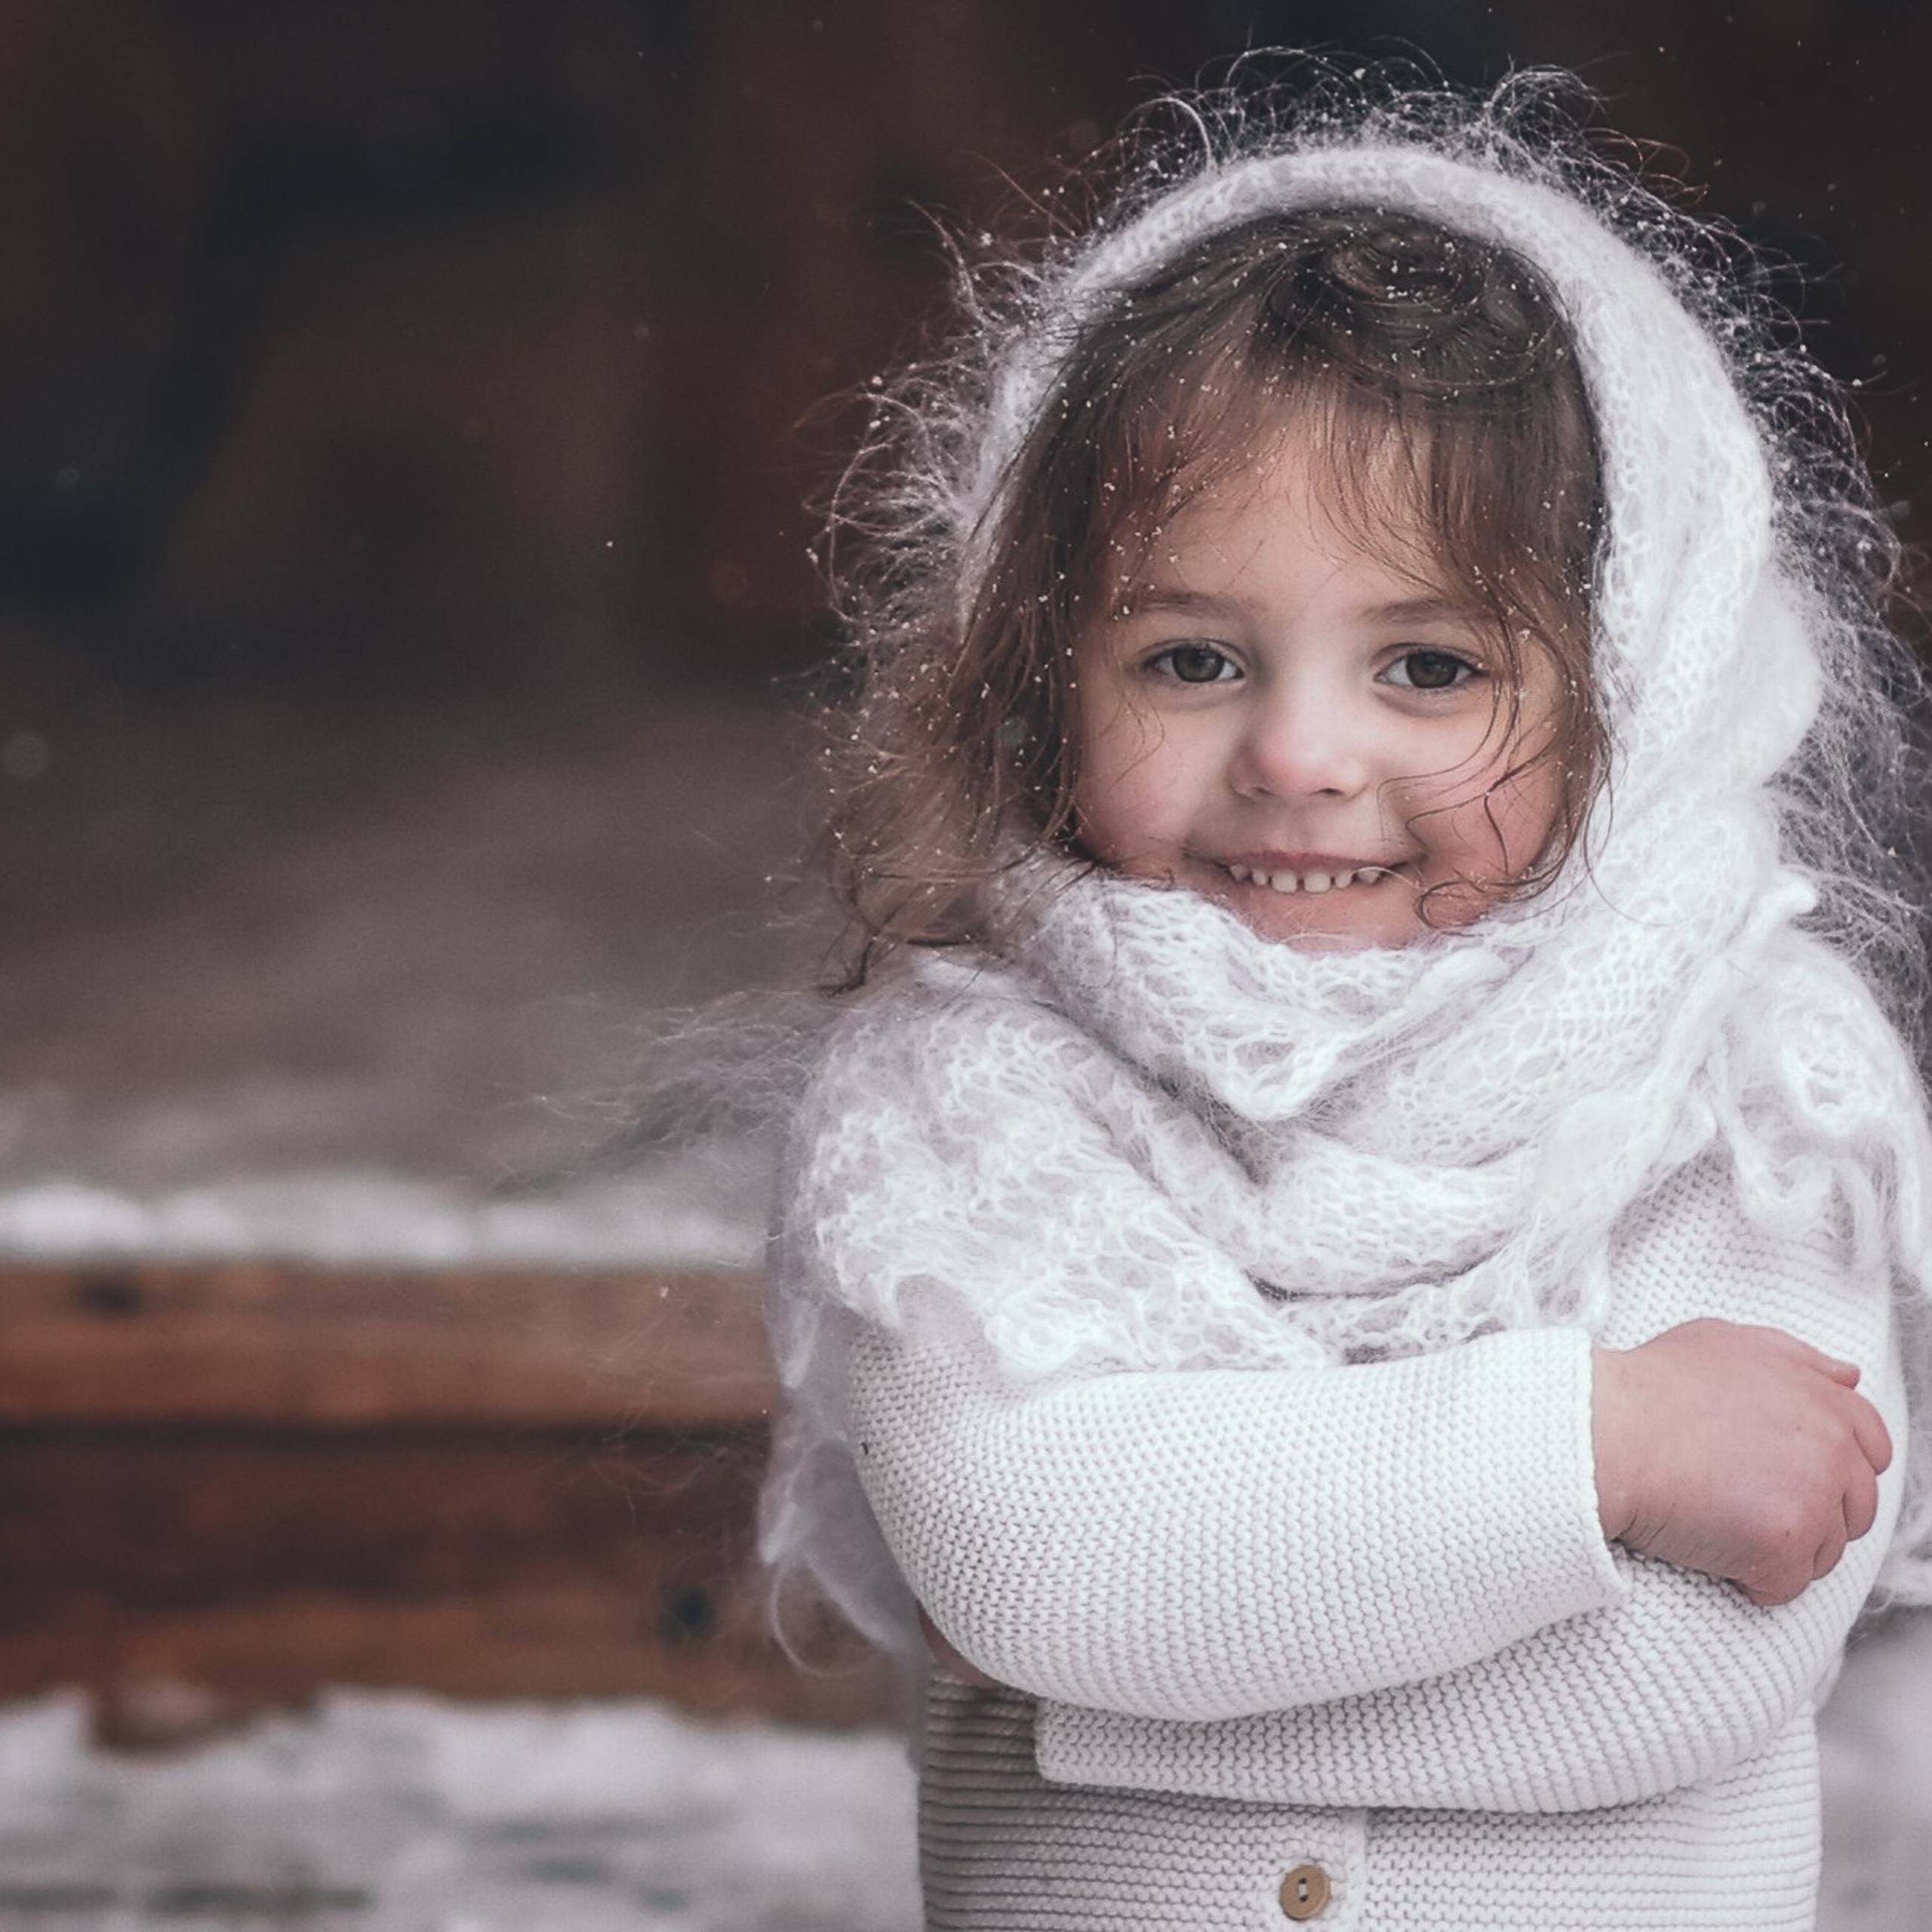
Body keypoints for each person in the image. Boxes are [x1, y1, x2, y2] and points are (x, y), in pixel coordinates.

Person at [757, 68, 1932, 1930]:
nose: (1300, 751)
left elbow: (1683, 1678)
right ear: (1034, 669)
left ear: (1639, 674)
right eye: (1193, 653)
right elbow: (1035, 1555)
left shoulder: (1745, 1079)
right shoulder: (963, 1091)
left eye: (1429, 662)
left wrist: (1142, 1653)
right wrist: (1595, 1448)